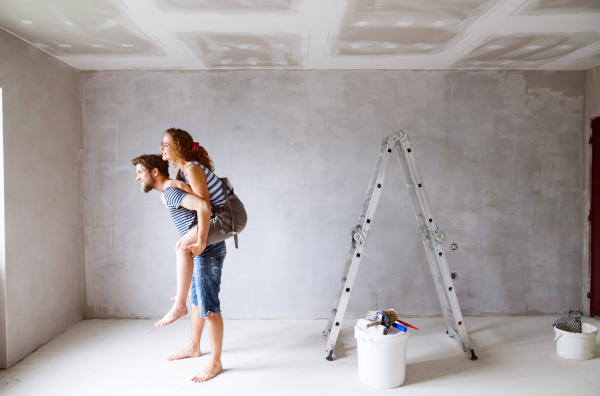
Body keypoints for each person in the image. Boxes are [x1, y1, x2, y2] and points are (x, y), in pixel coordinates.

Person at [132, 154, 232, 382]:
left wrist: (175, 188)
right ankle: (194, 346)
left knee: (209, 306)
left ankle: (215, 362)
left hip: (206, 251)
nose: (137, 178)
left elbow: (202, 206)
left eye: (140, 172)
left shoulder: (171, 191)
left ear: (154, 172)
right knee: (197, 300)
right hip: (201, 250)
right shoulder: (171, 190)